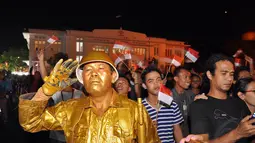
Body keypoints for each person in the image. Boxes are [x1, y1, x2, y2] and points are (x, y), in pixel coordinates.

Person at [19, 51, 159, 143]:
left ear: (113, 76)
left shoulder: (134, 111)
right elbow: (30, 122)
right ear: (82, 79)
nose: (94, 74)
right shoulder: (69, 109)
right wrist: (45, 91)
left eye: (101, 68)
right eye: (88, 70)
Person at [189, 54, 255, 143]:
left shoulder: (239, 103)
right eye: (224, 73)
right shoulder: (199, 106)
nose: (229, 78)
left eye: (231, 74)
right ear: (209, 75)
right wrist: (237, 134)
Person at [141, 66, 183, 143]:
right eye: (150, 81)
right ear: (144, 85)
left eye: (158, 80)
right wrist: (148, 130)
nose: (156, 83)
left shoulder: (171, 104)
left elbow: (177, 130)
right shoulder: (140, 108)